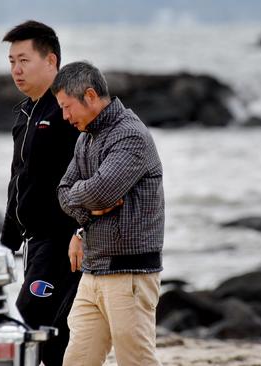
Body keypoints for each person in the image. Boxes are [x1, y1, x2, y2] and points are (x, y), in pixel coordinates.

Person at [52, 61, 165, 366]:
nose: (65, 116)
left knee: (136, 361)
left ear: (89, 96)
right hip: (94, 270)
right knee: (76, 360)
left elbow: (100, 192)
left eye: (67, 106)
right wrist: (85, 217)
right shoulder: (86, 138)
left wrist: (85, 199)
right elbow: (63, 193)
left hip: (129, 273)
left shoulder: (130, 136)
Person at [0, 20, 81, 366]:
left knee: (28, 324)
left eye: (24, 60)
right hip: (35, 242)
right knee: (54, 335)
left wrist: (82, 230)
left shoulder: (67, 112)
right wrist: (6, 242)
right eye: (12, 61)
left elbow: (93, 174)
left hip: (62, 241)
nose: (16, 70)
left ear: (51, 61)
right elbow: (19, 180)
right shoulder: (26, 112)